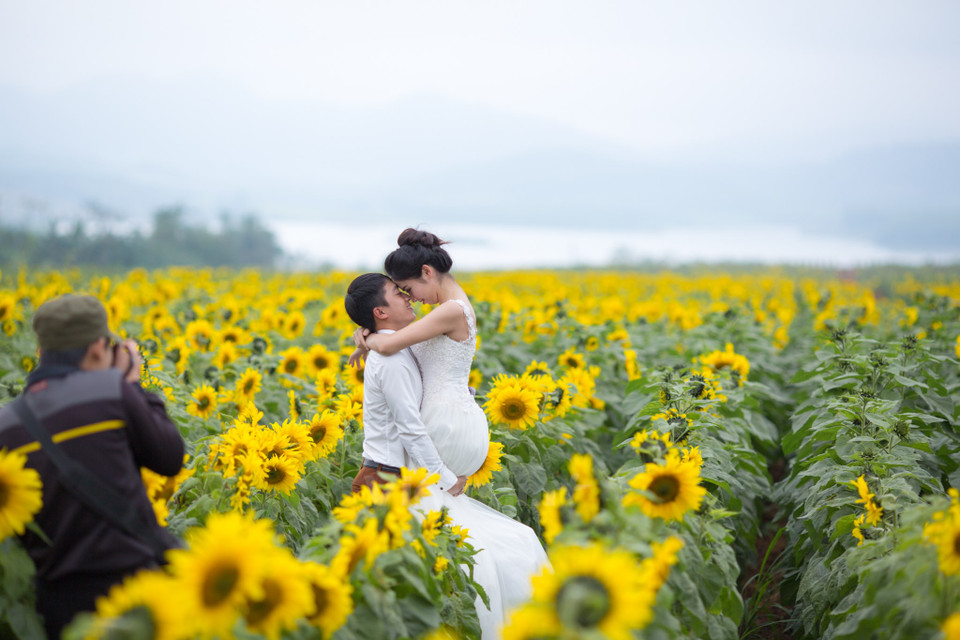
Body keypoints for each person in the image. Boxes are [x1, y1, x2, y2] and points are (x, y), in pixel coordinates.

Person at [350, 229, 549, 639]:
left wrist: (367, 336)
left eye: (409, 289)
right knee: (450, 529)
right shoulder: (446, 312)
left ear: (428, 271)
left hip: (444, 422)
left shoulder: (451, 310)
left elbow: (391, 346)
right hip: (448, 414)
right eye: (402, 293)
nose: (411, 298)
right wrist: (371, 338)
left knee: (441, 534)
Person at [0, 294, 184, 639]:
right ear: (99, 348)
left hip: (57, 608)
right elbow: (170, 457)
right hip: (134, 591)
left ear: (41, 352)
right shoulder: (110, 389)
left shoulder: (7, 424)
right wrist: (133, 383)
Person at [343, 273, 467, 496]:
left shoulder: (401, 348)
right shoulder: (390, 360)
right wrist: (445, 480)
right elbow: (409, 426)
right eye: (397, 293)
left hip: (394, 475)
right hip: (383, 481)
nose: (407, 297)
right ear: (380, 312)